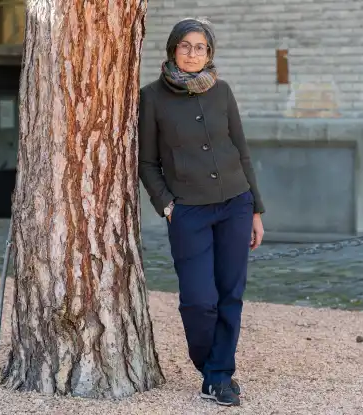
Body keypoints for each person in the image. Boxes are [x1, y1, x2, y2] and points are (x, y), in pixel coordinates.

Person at [137, 17, 266, 407]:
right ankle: (210, 365)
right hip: (188, 212)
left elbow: (241, 151)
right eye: (185, 46)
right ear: (172, 49)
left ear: (209, 53)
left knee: (230, 294)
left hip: (235, 204)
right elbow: (146, 163)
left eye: (200, 47)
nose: (193, 53)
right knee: (197, 299)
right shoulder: (152, 97)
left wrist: (256, 210)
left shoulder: (222, 92)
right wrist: (168, 206)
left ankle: (218, 377)